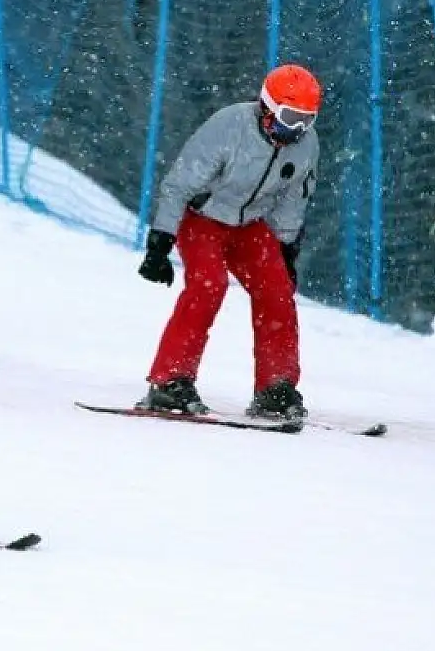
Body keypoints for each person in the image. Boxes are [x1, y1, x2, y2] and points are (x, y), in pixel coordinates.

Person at [135, 64, 322, 421]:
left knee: (276, 291)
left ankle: (275, 387)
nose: (295, 129)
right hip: (203, 218)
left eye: (305, 120)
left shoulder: (305, 145)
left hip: (249, 226)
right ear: (268, 107)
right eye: (289, 117)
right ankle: (170, 379)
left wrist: (286, 251)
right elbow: (179, 184)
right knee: (209, 286)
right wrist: (160, 243)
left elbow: (292, 199)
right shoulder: (229, 126)